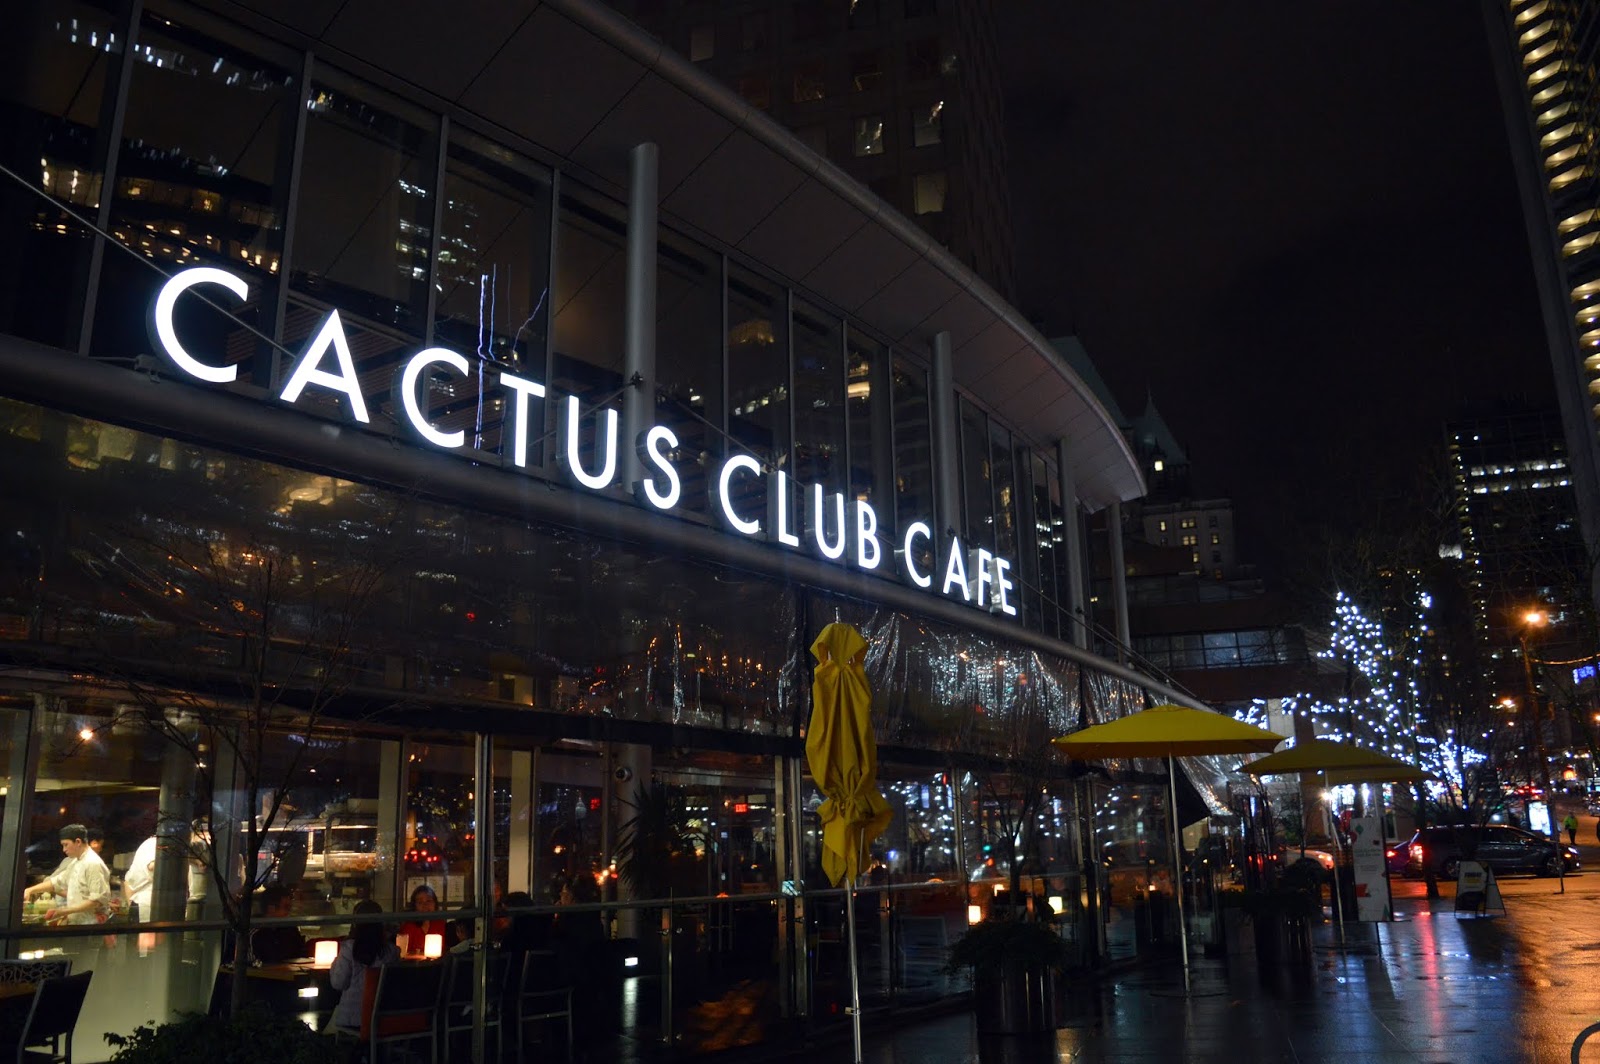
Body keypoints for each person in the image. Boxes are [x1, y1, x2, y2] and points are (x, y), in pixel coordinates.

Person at [328, 899, 399, 1036]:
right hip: (384, 1018)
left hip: (353, 1019)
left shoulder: (349, 949)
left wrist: (335, 961)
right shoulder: (391, 952)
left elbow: (338, 983)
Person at [23, 824, 111, 926]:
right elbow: (57, 882)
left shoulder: (93, 863)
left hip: (90, 925)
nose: (64, 850)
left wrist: (65, 911)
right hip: (77, 923)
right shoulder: (76, 861)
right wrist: (29, 890)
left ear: (78, 842)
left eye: (66, 845)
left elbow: (97, 901)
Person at [251, 885, 308, 964]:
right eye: (286, 907)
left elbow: (300, 953)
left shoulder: (290, 929)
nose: (289, 912)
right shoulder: (254, 932)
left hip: (287, 974)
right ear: (271, 909)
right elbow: (250, 963)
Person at [397, 884, 448, 955]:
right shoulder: (409, 926)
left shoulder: (440, 924)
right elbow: (402, 953)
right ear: (414, 905)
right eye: (420, 902)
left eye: (429, 901)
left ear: (435, 903)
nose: (425, 905)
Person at [123, 835, 158, 923]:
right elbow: (151, 866)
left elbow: (128, 881)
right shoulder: (153, 843)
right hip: (146, 905)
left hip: (141, 904)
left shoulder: (150, 843)